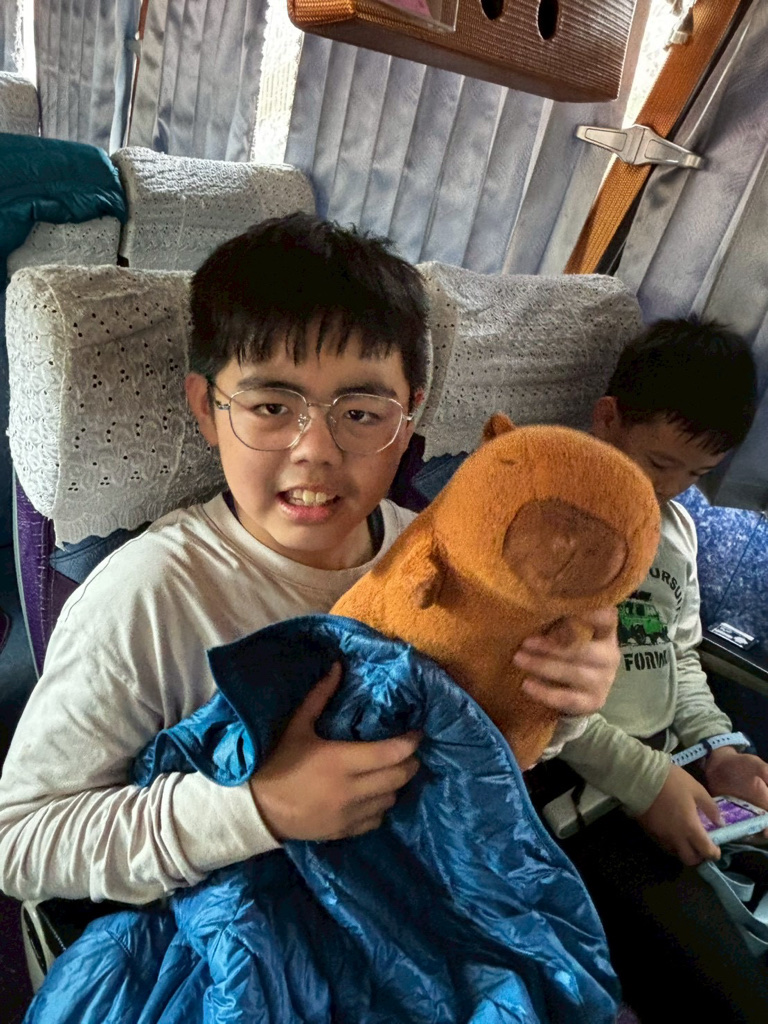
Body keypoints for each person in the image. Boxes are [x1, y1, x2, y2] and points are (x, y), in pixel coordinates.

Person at [0, 212, 621, 907]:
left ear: (409, 419)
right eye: (271, 406)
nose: (316, 451)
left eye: (360, 414)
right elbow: (21, 841)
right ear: (207, 408)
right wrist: (258, 810)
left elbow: (489, 748)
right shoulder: (151, 595)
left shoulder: (450, 560)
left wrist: (563, 700)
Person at [534, 318, 768, 1023]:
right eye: (660, 463)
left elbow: (676, 654)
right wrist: (647, 784)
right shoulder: (547, 521)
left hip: (663, 769)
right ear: (608, 419)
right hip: (574, 790)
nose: (671, 489)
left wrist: (721, 749)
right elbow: (532, 695)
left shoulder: (677, 530)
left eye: (696, 474)